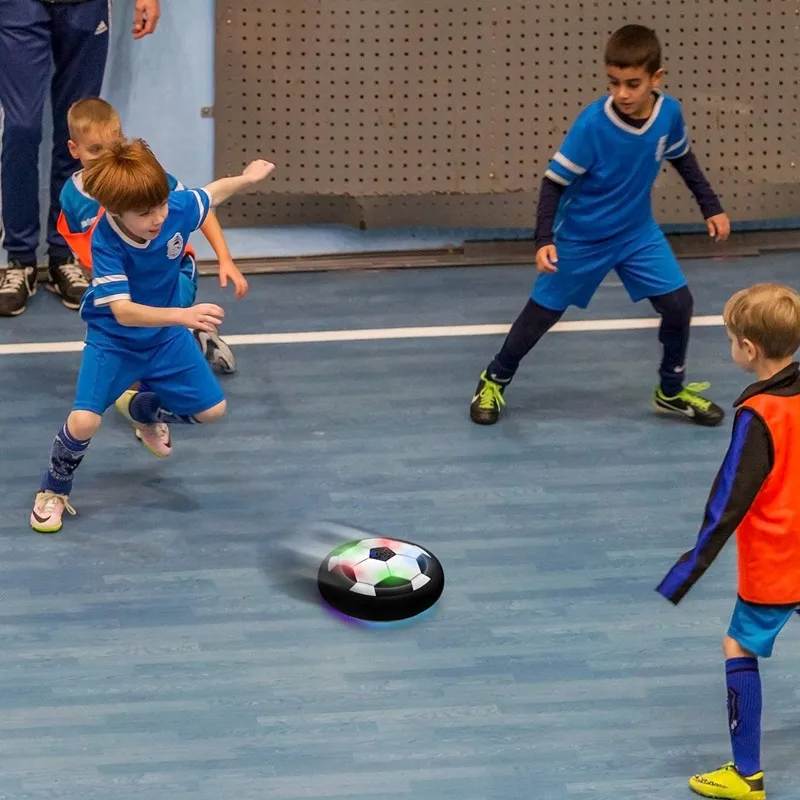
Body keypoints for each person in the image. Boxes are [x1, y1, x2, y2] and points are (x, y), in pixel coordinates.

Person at [469, 24, 731, 428]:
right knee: (541, 314)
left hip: (637, 234)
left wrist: (711, 206)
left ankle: (670, 391)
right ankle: (494, 378)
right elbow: (554, 182)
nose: (622, 94)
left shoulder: (669, 114)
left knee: (679, 305)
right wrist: (543, 239)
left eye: (632, 83)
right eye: (613, 83)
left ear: (656, 78)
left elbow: (683, 159)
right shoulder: (592, 124)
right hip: (582, 238)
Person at [29, 139, 275, 533]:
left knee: (211, 412)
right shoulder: (106, 241)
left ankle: (143, 410)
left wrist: (246, 178)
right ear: (115, 211)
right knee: (85, 421)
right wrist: (183, 315)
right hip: (115, 341)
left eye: (161, 205)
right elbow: (123, 312)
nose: (159, 217)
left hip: (165, 338)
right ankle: (53, 490)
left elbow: (211, 194)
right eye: (145, 213)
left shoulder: (170, 209)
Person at [657, 283, 800, 800]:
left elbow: (727, 503)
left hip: (778, 563)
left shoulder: (758, 414)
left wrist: (685, 572)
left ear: (749, 349)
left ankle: (747, 777)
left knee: (737, 644)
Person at [58, 97, 244, 373]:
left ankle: (184, 336)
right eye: (95, 149)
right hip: (132, 281)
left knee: (154, 319)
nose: (106, 156)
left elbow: (199, 208)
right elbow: (87, 250)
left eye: (112, 145)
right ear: (74, 149)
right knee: (127, 326)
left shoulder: (147, 179)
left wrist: (225, 259)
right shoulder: (71, 198)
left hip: (174, 270)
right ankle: (184, 337)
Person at [0, 0, 160, 317]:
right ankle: (20, 261)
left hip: (84, 6)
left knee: (81, 136)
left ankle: (65, 254)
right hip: (18, 6)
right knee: (21, 129)